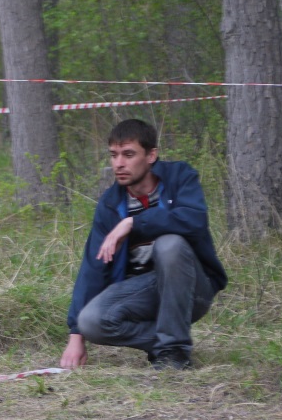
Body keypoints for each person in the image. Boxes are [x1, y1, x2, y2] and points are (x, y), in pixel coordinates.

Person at [60, 119, 228, 371]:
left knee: (169, 245)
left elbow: (194, 220)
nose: (119, 164)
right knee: (91, 321)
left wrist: (134, 223)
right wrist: (75, 336)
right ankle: (168, 342)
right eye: (114, 155)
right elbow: (94, 267)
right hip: (142, 293)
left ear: (151, 155)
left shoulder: (179, 177)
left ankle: (173, 352)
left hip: (193, 289)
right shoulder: (110, 204)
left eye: (128, 154)